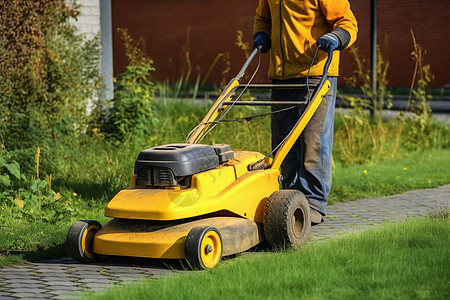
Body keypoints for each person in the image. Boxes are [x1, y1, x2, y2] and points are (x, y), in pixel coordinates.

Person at [253, 0, 358, 224]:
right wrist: (262, 33)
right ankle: (289, 201)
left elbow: (347, 21)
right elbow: (263, 17)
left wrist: (336, 37)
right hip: (281, 76)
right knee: (283, 144)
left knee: (313, 141)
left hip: (317, 73)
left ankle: (314, 203)